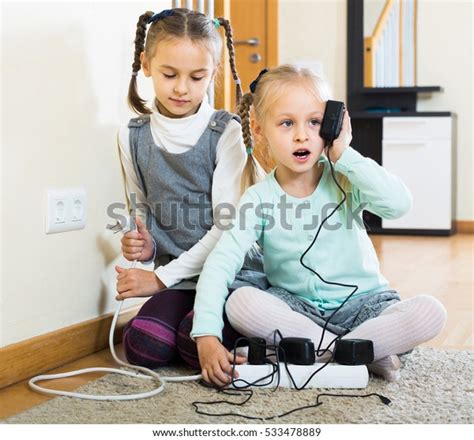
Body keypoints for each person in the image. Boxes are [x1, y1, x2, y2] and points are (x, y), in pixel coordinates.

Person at [191, 64, 447, 387]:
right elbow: (221, 263)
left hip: (366, 305)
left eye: (314, 122)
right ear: (259, 129)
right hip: (298, 310)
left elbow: (399, 204)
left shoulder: (344, 175)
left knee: (430, 311)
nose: (302, 134)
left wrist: (345, 155)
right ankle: (359, 352)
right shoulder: (258, 199)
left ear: (331, 124)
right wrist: (206, 335)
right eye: (287, 123)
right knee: (241, 303)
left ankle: (322, 352)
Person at [115, 8, 267, 371]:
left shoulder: (224, 132)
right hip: (179, 280)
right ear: (146, 64)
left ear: (213, 73)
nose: (182, 88)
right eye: (170, 74)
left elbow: (226, 228)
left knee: (190, 343)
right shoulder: (131, 136)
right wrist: (146, 245)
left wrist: (157, 278)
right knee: (142, 347)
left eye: (197, 77)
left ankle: (251, 327)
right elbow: (142, 214)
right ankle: (196, 320)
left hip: (231, 275)